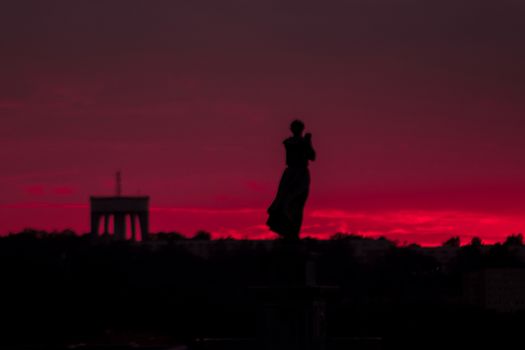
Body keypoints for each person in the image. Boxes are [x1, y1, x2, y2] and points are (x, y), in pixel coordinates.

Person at [267, 120, 316, 240]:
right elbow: (311, 155)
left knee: (294, 204)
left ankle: (292, 232)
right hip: (295, 174)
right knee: (289, 202)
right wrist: (308, 141)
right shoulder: (294, 142)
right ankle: (290, 231)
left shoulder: (293, 142)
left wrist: (307, 142)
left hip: (297, 174)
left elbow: (311, 156)